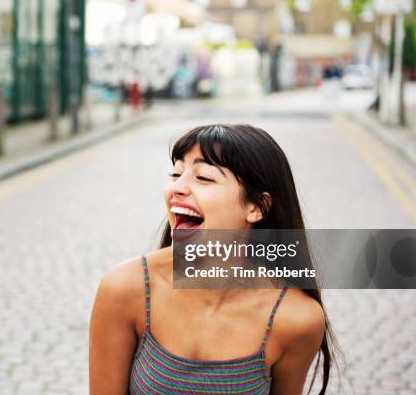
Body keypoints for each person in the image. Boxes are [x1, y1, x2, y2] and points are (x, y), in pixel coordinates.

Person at [89, 124, 336, 394]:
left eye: (203, 178)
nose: (176, 189)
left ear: (256, 207)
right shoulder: (125, 288)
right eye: (176, 174)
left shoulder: (297, 319)